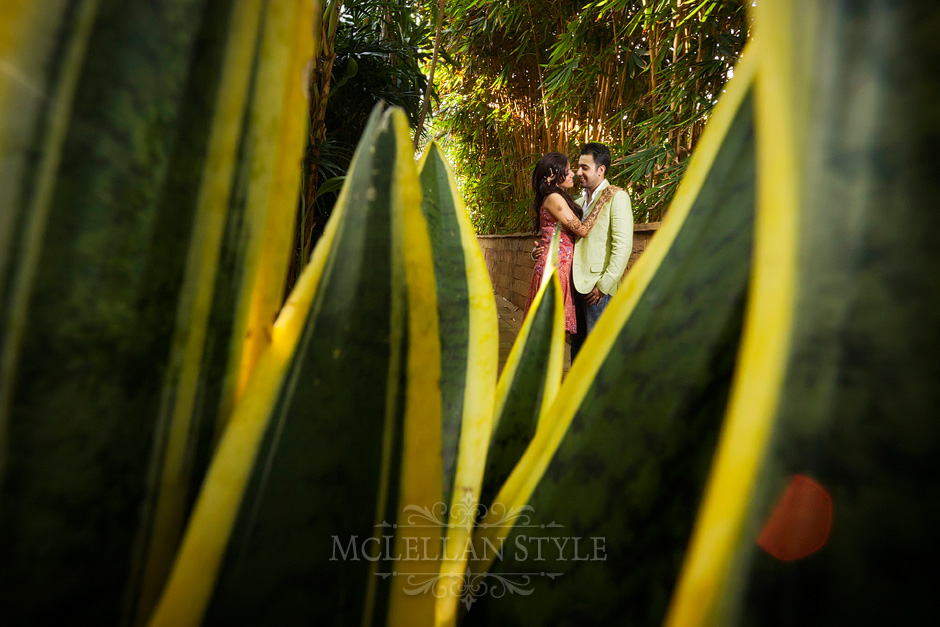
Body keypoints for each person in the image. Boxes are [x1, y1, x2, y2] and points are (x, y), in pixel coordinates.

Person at [523, 152, 606, 335]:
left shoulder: (559, 197)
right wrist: (603, 200)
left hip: (558, 267)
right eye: (567, 171)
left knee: (551, 332)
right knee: (549, 332)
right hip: (555, 269)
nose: (572, 174)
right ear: (551, 176)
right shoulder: (554, 198)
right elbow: (582, 230)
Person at [569, 142, 633, 360]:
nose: (578, 172)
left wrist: (604, 285)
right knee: (577, 348)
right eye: (578, 167)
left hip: (597, 290)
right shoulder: (577, 202)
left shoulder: (617, 197)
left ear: (601, 170)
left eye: (584, 168)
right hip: (574, 285)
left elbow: (622, 246)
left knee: (598, 351)